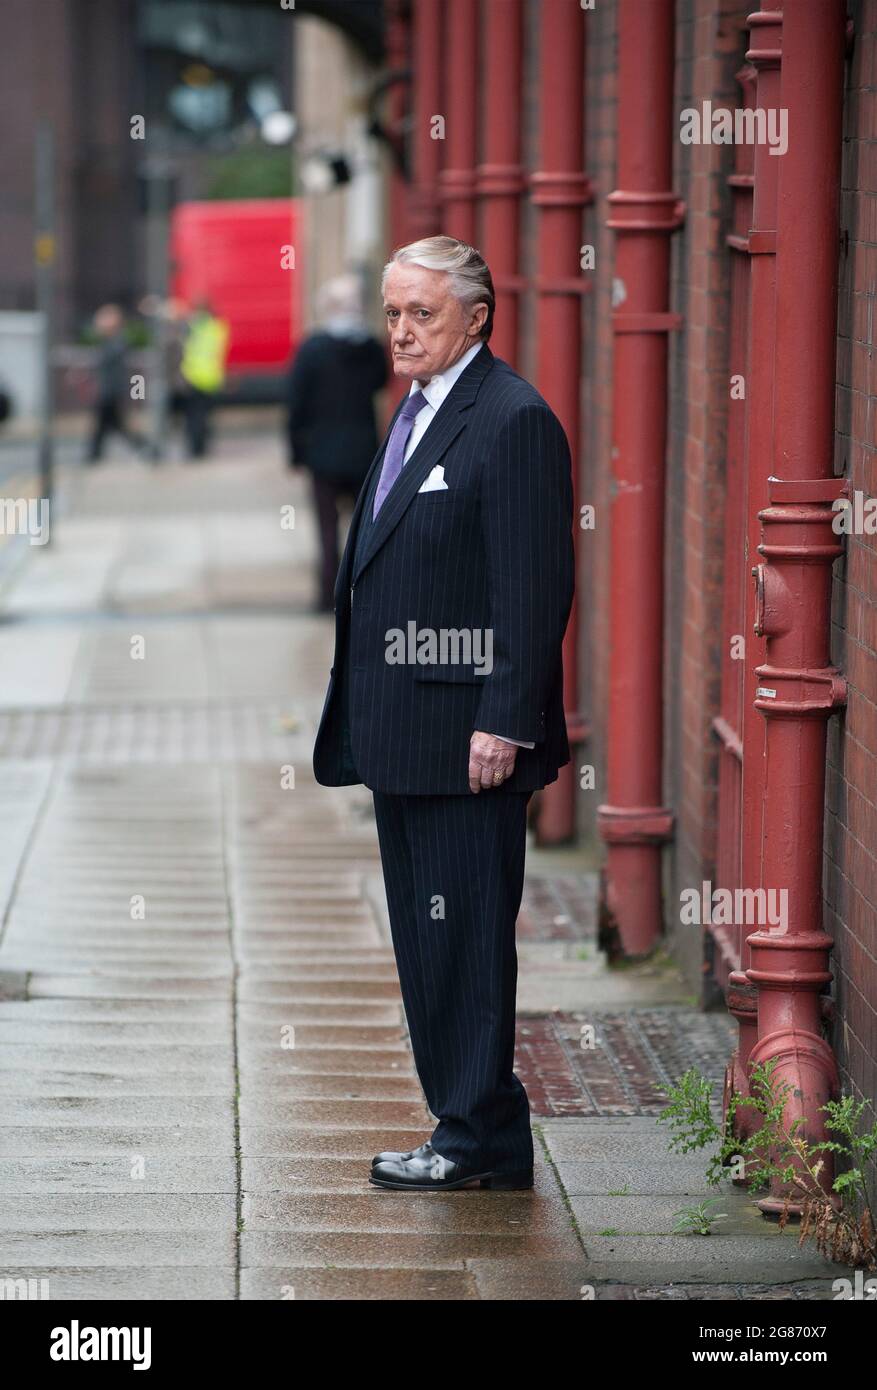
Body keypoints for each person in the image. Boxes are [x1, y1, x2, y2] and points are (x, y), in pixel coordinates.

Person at [312, 236, 575, 1192]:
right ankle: (470, 1127)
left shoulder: (511, 421)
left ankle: (475, 1139)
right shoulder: (417, 411)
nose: (401, 331)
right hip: (401, 733)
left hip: (466, 740)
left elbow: (533, 588)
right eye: (392, 312)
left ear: (477, 317)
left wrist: (503, 720)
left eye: (422, 313)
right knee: (428, 941)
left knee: (463, 938)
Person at [286, 275, 388, 611]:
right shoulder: (371, 347)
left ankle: (328, 597)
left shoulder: (312, 349)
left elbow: (296, 403)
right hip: (363, 453)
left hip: (322, 454)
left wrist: (296, 452)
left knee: (327, 531)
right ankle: (365, 595)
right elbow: (381, 382)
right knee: (366, 530)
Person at [86, 304, 142, 462]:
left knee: (109, 427)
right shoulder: (109, 342)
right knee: (111, 427)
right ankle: (94, 455)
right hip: (108, 392)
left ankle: (94, 456)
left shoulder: (117, 343)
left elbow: (114, 368)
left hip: (111, 393)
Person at [179, 300, 229, 458]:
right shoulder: (217, 327)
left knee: (194, 417)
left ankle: (195, 449)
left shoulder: (193, 327)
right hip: (211, 378)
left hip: (193, 376)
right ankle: (201, 448)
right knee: (204, 416)